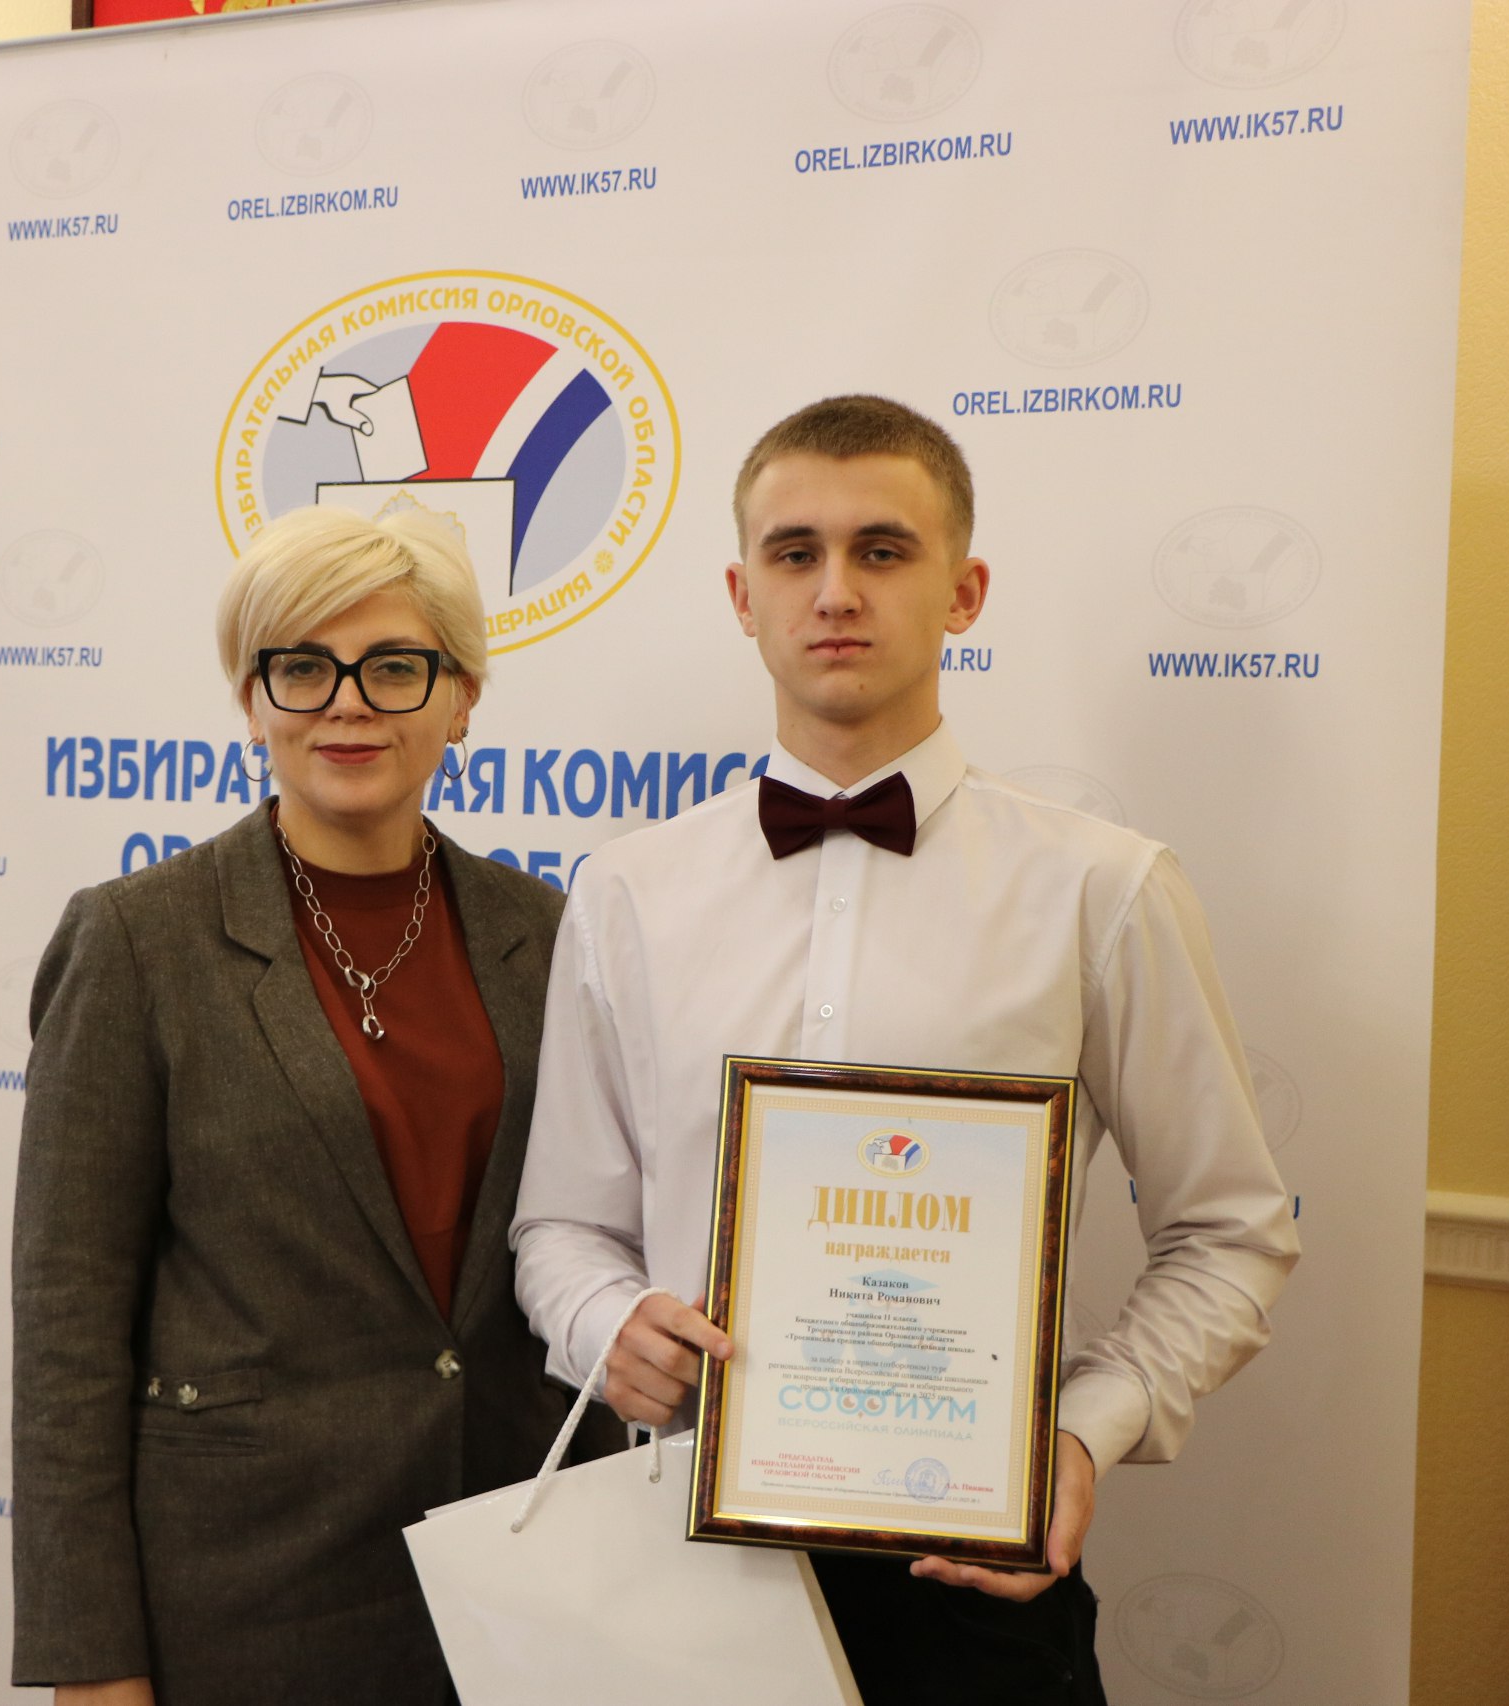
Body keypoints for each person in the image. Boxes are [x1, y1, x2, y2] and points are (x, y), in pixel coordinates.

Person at [511, 395, 1301, 1703]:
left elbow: (1232, 1229)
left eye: (882, 549)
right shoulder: (628, 889)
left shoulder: (1102, 888)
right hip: (679, 1567)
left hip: (975, 1583)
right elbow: (561, 1226)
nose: (835, 589)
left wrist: (1077, 1433)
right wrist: (610, 1323)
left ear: (963, 591)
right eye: (795, 552)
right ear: (742, 594)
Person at [11, 505, 580, 1706]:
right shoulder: (136, 940)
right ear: (252, 697)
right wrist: (90, 1659)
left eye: (394, 666)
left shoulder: (546, 932)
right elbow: (67, 1323)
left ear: (462, 698)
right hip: (247, 1589)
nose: (347, 704)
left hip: (515, 1572)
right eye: (303, 667)